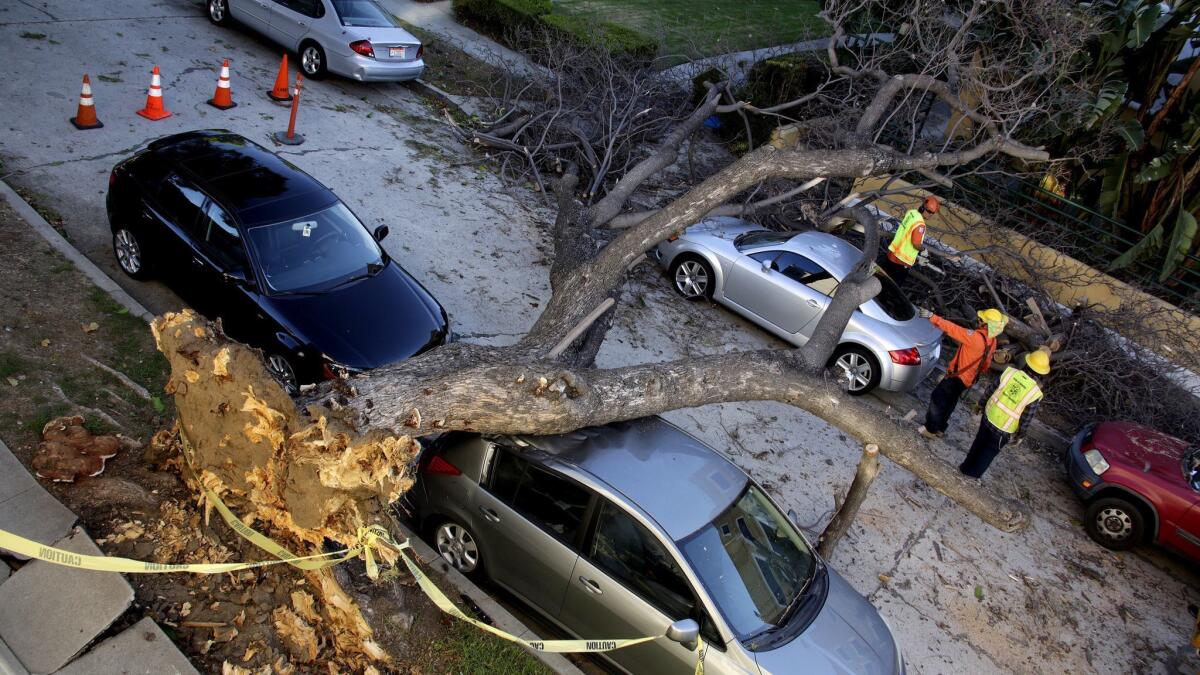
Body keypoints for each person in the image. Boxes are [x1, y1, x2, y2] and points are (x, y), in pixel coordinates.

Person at [917, 308, 1006, 438]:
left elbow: (953, 329)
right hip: (968, 379)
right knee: (950, 401)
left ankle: (930, 429)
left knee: (938, 397)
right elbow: (986, 364)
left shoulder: (975, 337)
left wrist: (932, 317)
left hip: (956, 376)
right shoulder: (992, 341)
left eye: (981, 319)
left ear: (986, 324)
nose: (978, 320)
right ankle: (940, 428)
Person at [960, 349, 1050, 478]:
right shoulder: (1035, 393)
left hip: (988, 417)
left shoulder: (1010, 373)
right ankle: (972, 476)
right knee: (988, 453)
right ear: (1042, 373)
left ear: (1027, 363)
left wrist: (980, 404)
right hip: (1004, 430)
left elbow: (991, 389)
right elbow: (1026, 418)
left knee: (978, 443)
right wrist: (1020, 435)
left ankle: (964, 468)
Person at [882, 196, 939, 286]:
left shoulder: (911, 213)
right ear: (923, 208)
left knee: (882, 280)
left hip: (892, 253)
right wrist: (923, 250)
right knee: (893, 287)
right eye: (929, 212)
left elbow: (907, 234)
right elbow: (916, 243)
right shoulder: (920, 224)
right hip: (902, 261)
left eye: (932, 213)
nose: (930, 215)